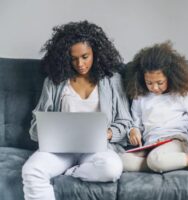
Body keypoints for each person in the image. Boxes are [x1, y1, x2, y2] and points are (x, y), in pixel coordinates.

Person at [22, 21, 132, 200]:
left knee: (111, 169)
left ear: (96, 53)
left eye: (85, 56)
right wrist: (45, 130)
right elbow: (36, 125)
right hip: (59, 149)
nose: (80, 63)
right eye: (73, 58)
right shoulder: (54, 81)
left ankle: (72, 171)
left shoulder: (112, 80)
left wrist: (108, 133)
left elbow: (126, 122)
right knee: (31, 171)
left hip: (97, 148)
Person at [121, 41, 188, 173]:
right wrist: (134, 130)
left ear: (170, 77)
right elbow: (135, 123)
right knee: (122, 161)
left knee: (155, 160)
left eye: (160, 82)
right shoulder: (140, 97)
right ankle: (179, 162)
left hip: (175, 141)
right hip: (151, 145)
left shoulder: (180, 96)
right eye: (149, 83)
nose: (154, 87)